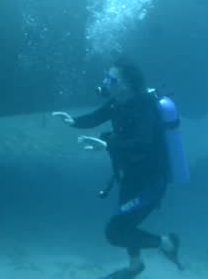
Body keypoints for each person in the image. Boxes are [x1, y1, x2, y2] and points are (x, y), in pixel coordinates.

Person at [53, 59, 183, 279]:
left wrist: (107, 145)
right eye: (106, 76)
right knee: (126, 223)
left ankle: (167, 243)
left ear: (127, 84)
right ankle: (135, 265)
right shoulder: (117, 102)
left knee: (115, 232)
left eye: (111, 79)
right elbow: (97, 116)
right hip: (131, 175)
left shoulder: (144, 107)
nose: (105, 82)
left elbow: (143, 143)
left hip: (150, 181)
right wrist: (73, 122)